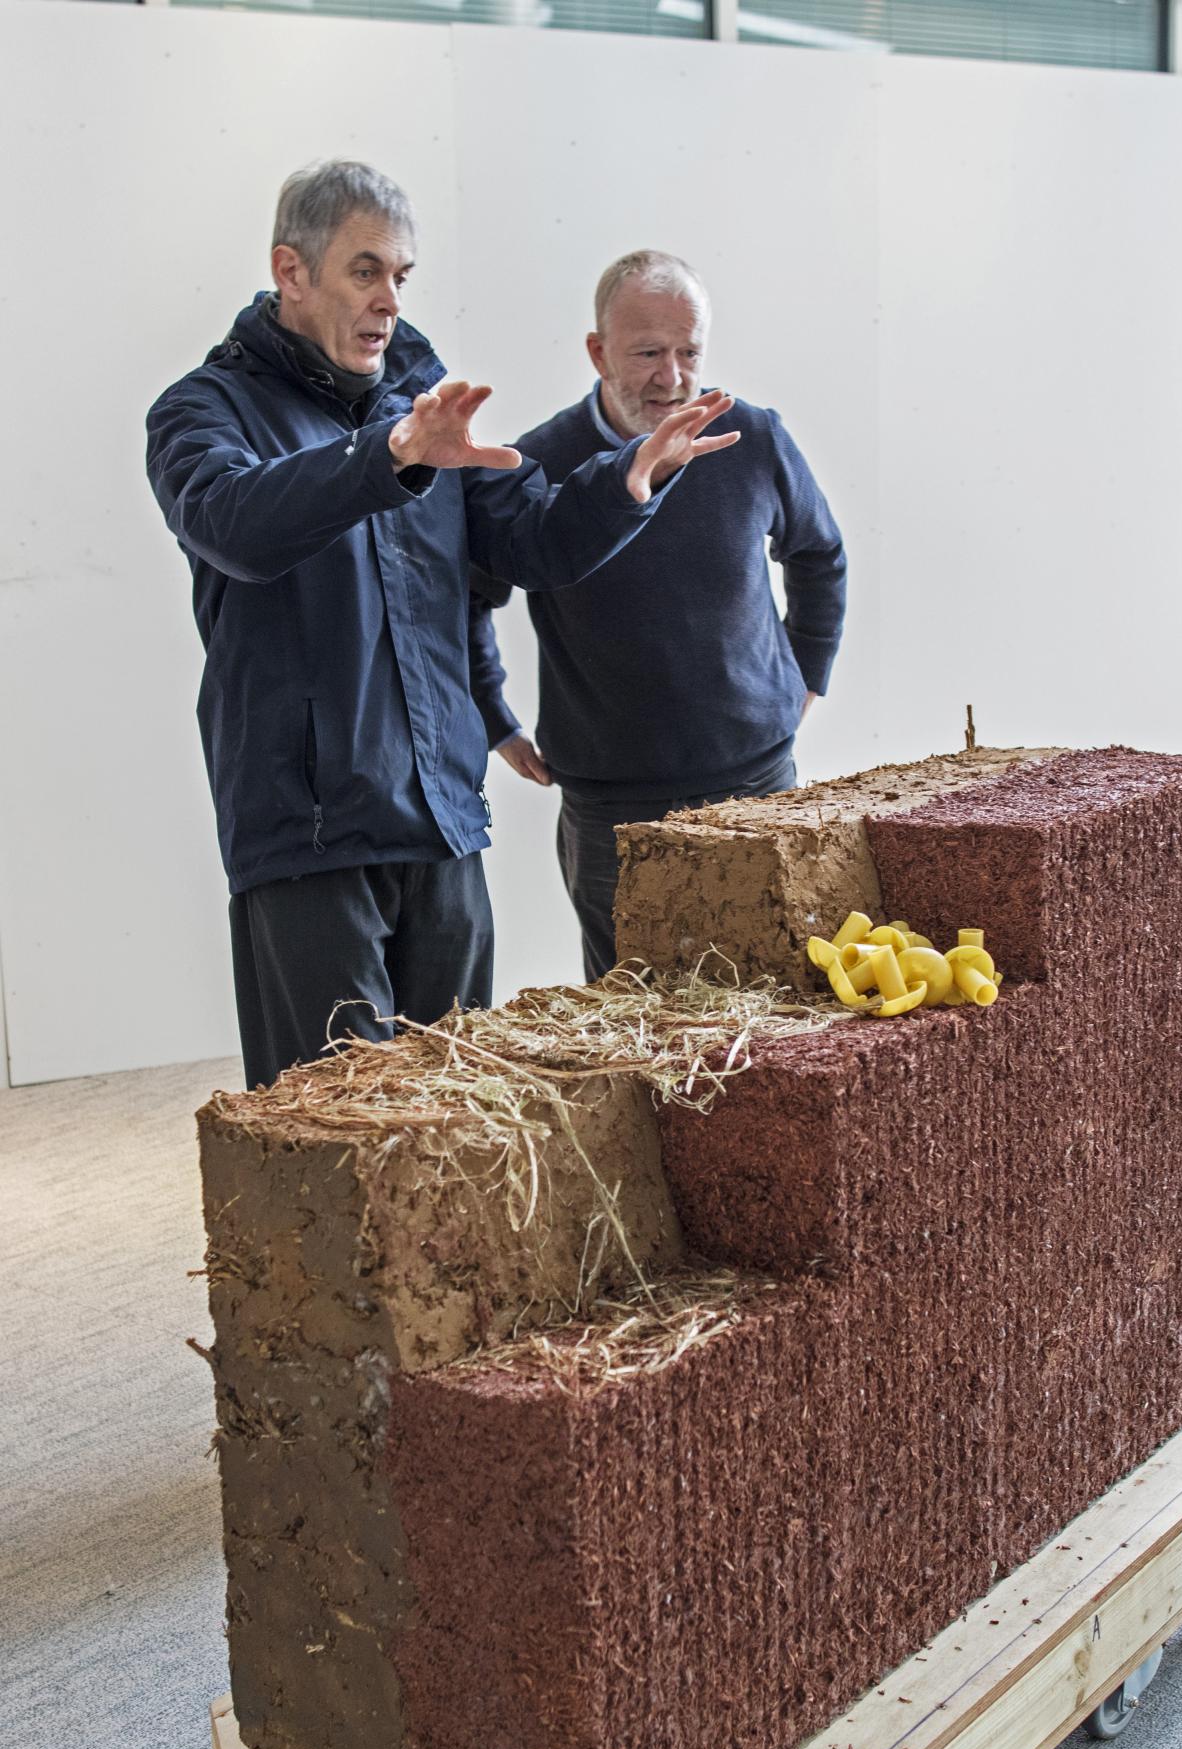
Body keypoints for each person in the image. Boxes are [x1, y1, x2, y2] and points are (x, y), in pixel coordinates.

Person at [146, 164, 739, 1089]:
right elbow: (238, 528)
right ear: (290, 272)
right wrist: (389, 455)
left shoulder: (424, 405)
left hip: (441, 819)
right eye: (365, 271)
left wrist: (628, 481)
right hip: (308, 833)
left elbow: (532, 540)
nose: (388, 301)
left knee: (455, 1123)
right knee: (335, 1124)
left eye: (403, 278)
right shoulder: (202, 412)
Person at [473, 249, 847, 979]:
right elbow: (469, 599)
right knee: (630, 1011)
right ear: (597, 351)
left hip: (755, 774)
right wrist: (495, 715)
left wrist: (808, 671)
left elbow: (818, 552)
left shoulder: (754, 437)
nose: (672, 378)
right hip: (611, 801)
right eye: (647, 352)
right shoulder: (538, 463)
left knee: (776, 992)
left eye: (689, 352)